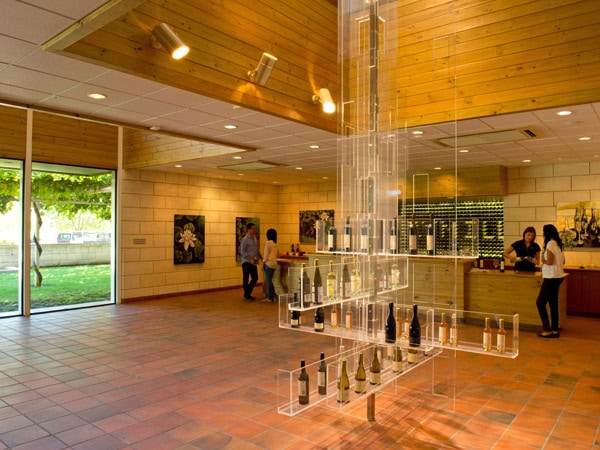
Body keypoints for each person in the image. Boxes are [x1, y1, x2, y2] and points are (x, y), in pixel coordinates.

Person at [536, 224, 566, 338]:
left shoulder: (550, 243)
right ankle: (554, 329)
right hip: (558, 276)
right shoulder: (559, 244)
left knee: (540, 302)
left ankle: (547, 329)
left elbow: (549, 261)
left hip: (551, 277)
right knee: (553, 303)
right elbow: (563, 262)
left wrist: (541, 260)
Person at [241, 223, 261, 300]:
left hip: (254, 261)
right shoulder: (245, 239)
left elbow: (256, 250)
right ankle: (247, 294)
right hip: (246, 262)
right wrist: (250, 259)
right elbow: (242, 251)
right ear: (248, 229)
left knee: (255, 278)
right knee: (246, 278)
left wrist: (260, 256)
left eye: (254, 228)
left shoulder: (255, 239)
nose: (254, 230)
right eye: (252, 228)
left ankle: (247, 292)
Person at [263, 228, 279, 302]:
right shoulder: (276, 244)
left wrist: (263, 262)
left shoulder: (268, 243)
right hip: (274, 264)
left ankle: (271, 296)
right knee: (270, 280)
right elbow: (278, 254)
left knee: (269, 281)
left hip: (268, 264)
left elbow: (266, 255)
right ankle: (273, 295)